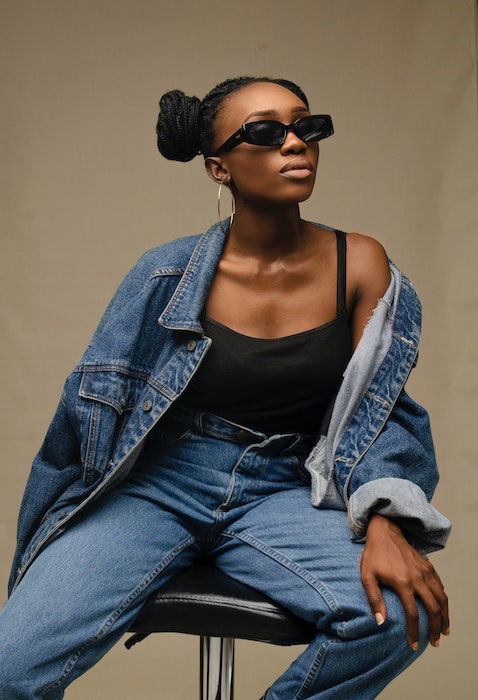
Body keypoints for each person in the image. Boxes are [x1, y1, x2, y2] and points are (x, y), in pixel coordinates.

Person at [0, 75, 452, 699]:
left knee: (401, 612)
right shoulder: (164, 272)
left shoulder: (362, 263)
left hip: (286, 487)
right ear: (219, 168)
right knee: (9, 669)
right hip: (158, 486)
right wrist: (52, 537)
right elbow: (87, 417)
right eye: (266, 133)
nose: (295, 144)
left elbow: (382, 407)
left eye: (306, 126)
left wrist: (386, 521)